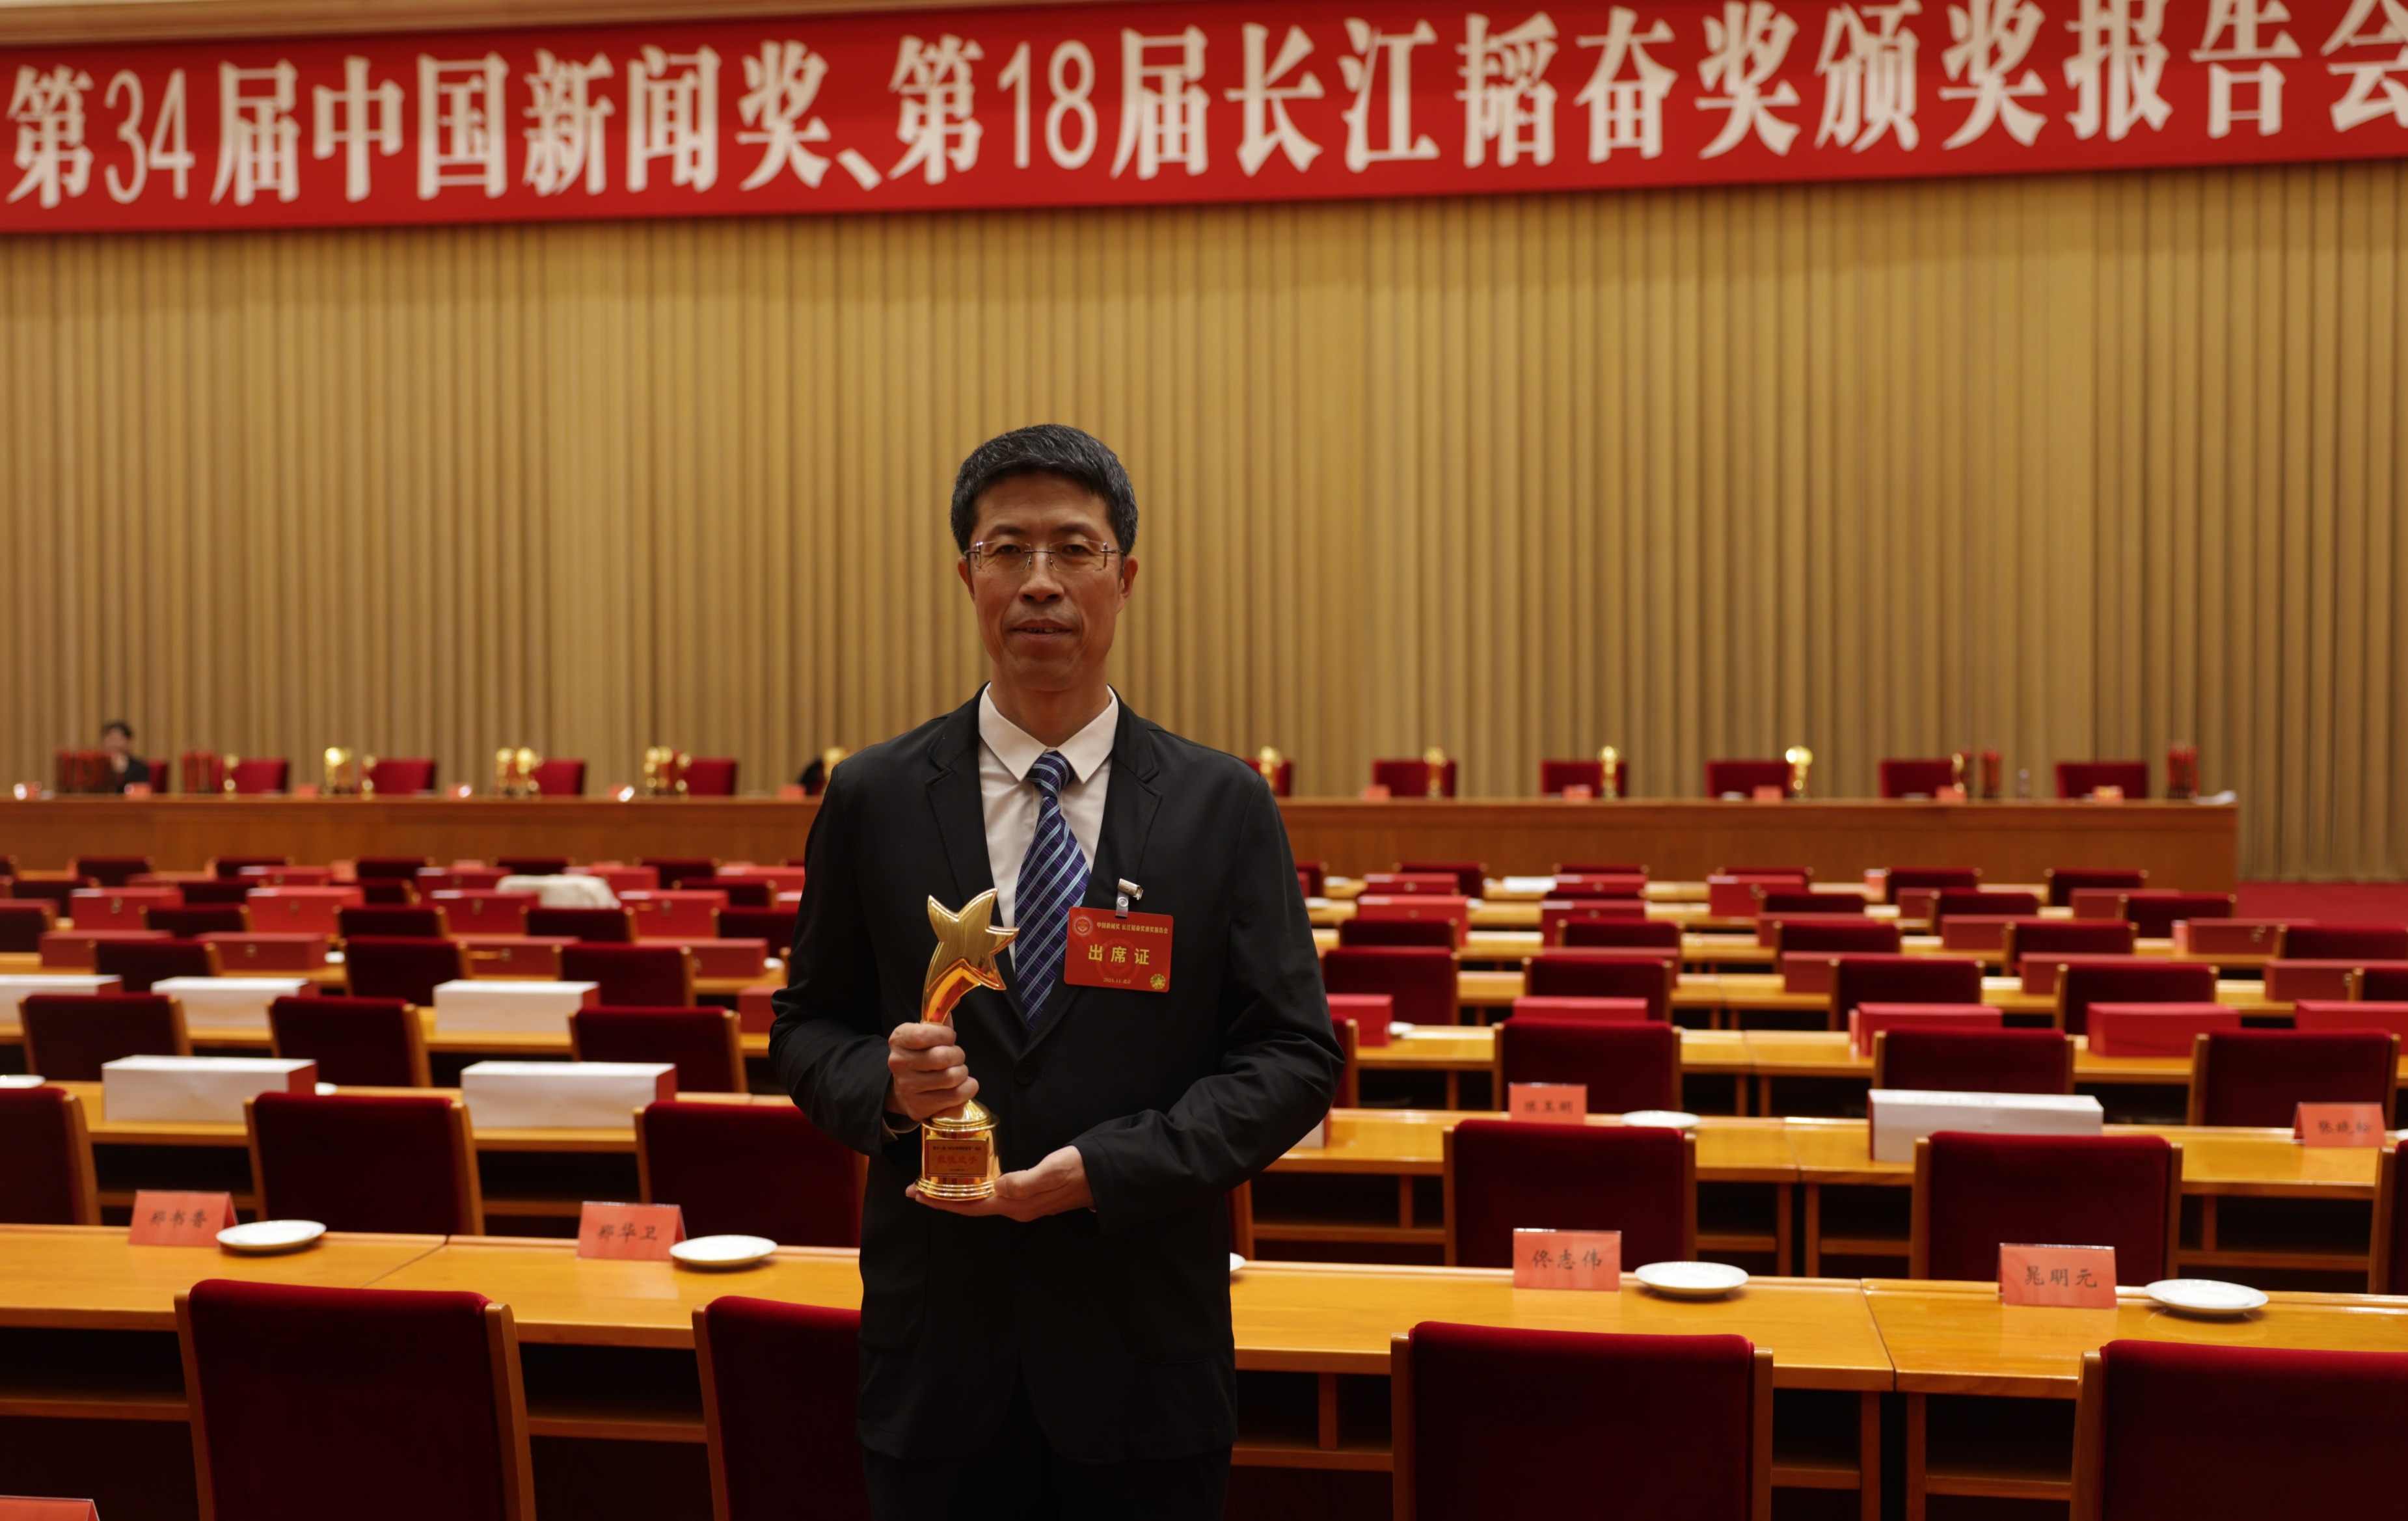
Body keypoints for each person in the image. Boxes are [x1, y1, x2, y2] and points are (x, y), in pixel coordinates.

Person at [771, 424, 1340, 1520]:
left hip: (1143, 1352)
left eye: (1074, 548)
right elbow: (806, 1026)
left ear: (1124, 577)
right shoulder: (875, 796)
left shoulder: (1221, 805)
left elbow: (1292, 1055)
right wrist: (884, 1087)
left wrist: (1107, 1168)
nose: (1040, 581)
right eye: (1008, 549)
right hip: (938, 1357)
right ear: (967, 575)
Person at [98, 720, 150, 794]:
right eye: (110, 739)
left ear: (129, 742)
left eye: (117, 738)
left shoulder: (139, 767)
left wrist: (121, 774)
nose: (113, 743)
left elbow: (141, 792)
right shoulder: (97, 766)